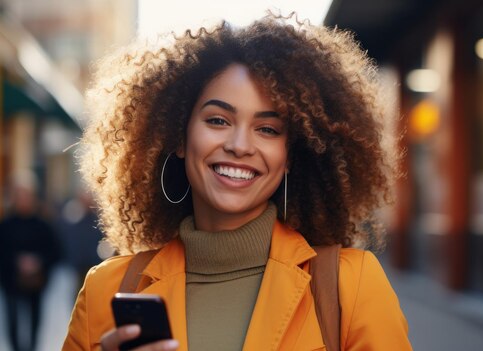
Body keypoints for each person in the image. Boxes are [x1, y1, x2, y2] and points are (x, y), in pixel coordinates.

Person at [63, 15, 411, 350]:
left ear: (289, 155)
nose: (240, 145)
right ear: (179, 138)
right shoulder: (105, 292)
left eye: (267, 129)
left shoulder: (351, 285)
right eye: (218, 120)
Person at [0, 171, 62, 351]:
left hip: (36, 281)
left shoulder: (43, 224)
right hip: (11, 280)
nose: (23, 199)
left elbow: (55, 252)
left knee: (35, 318)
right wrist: (16, 262)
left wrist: (37, 262)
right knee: (12, 318)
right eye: (19, 195)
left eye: (27, 195)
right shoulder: (6, 224)